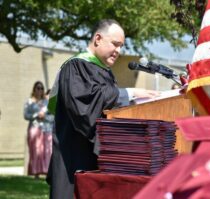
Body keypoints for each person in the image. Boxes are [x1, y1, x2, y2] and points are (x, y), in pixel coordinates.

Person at [47, 19, 160, 199]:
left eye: (121, 46)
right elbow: (86, 105)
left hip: (98, 158)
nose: (119, 51)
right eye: (115, 44)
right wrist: (129, 94)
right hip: (75, 158)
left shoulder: (104, 71)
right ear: (98, 39)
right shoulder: (76, 66)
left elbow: (107, 104)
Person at [24, 81, 54, 179]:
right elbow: (26, 115)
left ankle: (46, 172)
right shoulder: (29, 102)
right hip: (34, 128)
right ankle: (35, 173)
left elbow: (53, 116)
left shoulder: (47, 102)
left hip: (46, 129)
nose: (40, 90)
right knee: (36, 151)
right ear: (34, 89)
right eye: (38, 88)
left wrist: (44, 116)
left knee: (47, 151)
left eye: (41, 88)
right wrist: (37, 115)